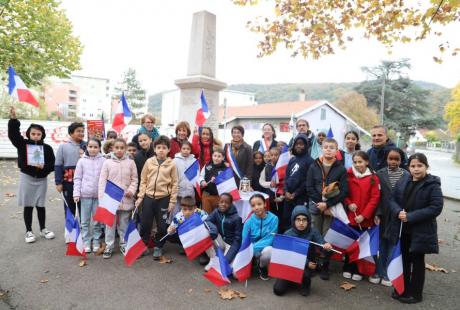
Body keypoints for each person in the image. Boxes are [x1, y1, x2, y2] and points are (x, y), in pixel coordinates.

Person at [388, 153, 443, 304]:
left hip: (420, 231)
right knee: (404, 260)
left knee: (417, 262)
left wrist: (411, 216)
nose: (416, 169)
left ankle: (415, 294)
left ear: (426, 167)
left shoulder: (432, 184)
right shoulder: (403, 180)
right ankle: (403, 288)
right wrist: (398, 211)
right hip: (403, 229)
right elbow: (392, 199)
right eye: (413, 166)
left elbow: (436, 207)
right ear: (408, 167)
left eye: (420, 166)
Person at [8, 107, 55, 243]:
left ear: (42, 135)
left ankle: (43, 229)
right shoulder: (23, 145)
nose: (35, 136)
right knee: (28, 205)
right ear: (29, 134)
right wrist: (13, 120)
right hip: (27, 178)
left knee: (40, 205)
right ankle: (29, 231)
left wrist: (44, 167)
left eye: (38, 134)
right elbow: (13, 135)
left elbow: (53, 164)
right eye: (33, 133)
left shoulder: (47, 148)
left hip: (41, 179)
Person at [306, 138, 348, 280]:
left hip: (331, 208)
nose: (328, 149)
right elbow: (309, 186)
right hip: (315, 206)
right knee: (314, 234)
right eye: (326, 147)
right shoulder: (314, 166)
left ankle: (325, 265)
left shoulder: (341, 168)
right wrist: (320, 203)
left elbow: (344, 191)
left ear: (337, 150)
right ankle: (313, 264)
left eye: (332, 147)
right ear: (321, 149)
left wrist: (328, 204)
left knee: (327, 236)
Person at [273, 205, 333, 297]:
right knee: (278, 290)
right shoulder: (287, 234)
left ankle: (305, 284)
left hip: (306, 266)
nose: (301, 223)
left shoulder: (313, 231)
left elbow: (321, 244)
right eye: (298, 219)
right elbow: (286, 256)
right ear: (293, 220)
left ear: (308, 220)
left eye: (304, 219)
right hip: (291, 264)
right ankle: (293, 280)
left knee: (305, 279)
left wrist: (326, 246)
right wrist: (307, 263)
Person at [136, 136, 178, 260]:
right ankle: (143, 246)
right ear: (154, 149)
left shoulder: (172, 164)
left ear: (168, 150)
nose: (161, 150)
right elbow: (143, 180)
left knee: (162, 226)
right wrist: (140, 196)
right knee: (145, 224)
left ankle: (158, 247)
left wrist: (172, 201)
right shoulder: (149, 162)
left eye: (164, 148)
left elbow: (175, 183)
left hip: (164, 199)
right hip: (148, 198)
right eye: (158, 147)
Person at [343, 151, 380, 281]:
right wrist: (349, 204)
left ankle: (359, 270)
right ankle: (348, 266)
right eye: (355, 162)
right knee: (350, 242)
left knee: (362, 244)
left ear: (366, 162)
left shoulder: (373, 178)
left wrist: (364, 215)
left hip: (364, 218)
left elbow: (374, 198)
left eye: (360, 162)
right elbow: (344, 193)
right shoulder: (348, 175)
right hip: (351, 215)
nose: (358, 164)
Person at [374, 148, 410, 287]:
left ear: (401, 160)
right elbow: (377, 196)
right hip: (383, 213)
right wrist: (377, 213)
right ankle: (379, 270)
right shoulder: (380, 173)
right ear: (386, 159)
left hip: (397, 214)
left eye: (397, 159)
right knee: (381, 243)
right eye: (391, 159)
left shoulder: (406, 175)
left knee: (393, 243)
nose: (393, 162)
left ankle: (389, 273)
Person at [99, 139, 138, 259]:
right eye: (117, 148)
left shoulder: (131, 163)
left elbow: (134, 179)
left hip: (126, 199)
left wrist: (131, 191)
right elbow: (102, 181)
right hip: (110, 200)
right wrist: (102, 199)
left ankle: (123, 243)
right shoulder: (107, 162)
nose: (119, 150)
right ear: (112, 149)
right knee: (109, 225)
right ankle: (109, 246)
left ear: (125, 149)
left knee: (124, 224)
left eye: (122, 148)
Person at [73, 138, 106, 253]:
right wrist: (76, 193)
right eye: (90, 146)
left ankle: (96, 241)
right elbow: (77, 178)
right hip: (85, 196)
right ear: (86, 147)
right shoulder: (81, 161)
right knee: (85, 222)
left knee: (97, 221)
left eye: (95, 147)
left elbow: (106, 178)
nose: (92, 149)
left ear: (99, 148)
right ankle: (86, 241)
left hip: (99, 196)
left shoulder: (104, 160)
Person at [242, 193, 278, 281]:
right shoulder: (248, 221)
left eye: (259, 204)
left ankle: (262, 267)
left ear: (265, 204)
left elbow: (270, 238)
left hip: (264, 247)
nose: (256, 207)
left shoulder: (274, 219)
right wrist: (249, 251)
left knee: (268, 251)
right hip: (251, 248)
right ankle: (253, 261)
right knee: (236, 275)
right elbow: (244, 239)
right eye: (253, 205)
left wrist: (253, 249)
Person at [283, 134, 314, 231]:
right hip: (288, 198)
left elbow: (308, 181)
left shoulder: (310, 161)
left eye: (301, 144)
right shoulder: (292, 160)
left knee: (299, 224)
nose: (299, 146)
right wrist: (286, 191)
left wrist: (295, 194)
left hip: (301, 197)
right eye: (296, 144)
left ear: (306, 146)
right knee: (287, 221)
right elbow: (287, 177)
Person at [166, 196, 210, 264]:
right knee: (171, 236)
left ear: (195, 208)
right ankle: (186, 246)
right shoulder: (179, 216)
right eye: (185, 209)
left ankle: (204, 253)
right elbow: (170, 230)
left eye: (190, 209)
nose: (187, 212)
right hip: (188, 236)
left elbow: (209, 221)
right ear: (181, 208)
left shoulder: (199, 212)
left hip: (199, 235)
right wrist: (170, 229)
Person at [55, 121, 86, 217]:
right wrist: (58, 182)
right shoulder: (63, 147)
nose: (81, 133)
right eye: (78, 131)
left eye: (82, 131)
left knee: (83, 207)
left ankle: (82, 228)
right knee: (70, 205)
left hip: (85, 181)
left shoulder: (88, 146)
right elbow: (58, 165)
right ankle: (71, 229)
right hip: (68, 182)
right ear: (71, 133)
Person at [205, 193, 243, 267]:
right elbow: (207, 221)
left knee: (229, 267)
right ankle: (213, 259)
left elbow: (237, 240)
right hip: (220, 241)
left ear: (231, 204)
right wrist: (214, 229)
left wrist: (227, 259)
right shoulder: (216, 212)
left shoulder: (237, 218)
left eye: (226, 203)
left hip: (230, 245)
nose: (223, 204)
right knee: (205, 232)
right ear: (218, 202)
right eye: (221, 202)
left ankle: (221, 260)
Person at [259, 146, 284, 227]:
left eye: (276, 155)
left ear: (280, 155)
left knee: (280, 217)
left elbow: (286, 183)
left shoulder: (283, 167)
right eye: (271, 155)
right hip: (270, 195)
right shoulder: (267, 167)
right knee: (270, 216)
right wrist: (269, 184)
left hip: (280, 197)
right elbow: (261, 181)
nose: (273, 157)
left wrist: (282, 197)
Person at [199, 148, 227, 213]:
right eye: (215, 156)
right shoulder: (207, 166)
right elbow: (201, 176)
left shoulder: (225, 169)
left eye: (219, 156)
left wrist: (218, 180)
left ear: (223, 158)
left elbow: (227, 182)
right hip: (207, 194)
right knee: (206, 215)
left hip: (219, 195)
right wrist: (202, 181)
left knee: (218, 214)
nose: (216, 158)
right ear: (212, 156)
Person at [173, 141, 196, 218]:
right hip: (178, 191)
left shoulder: (194, 161)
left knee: (188, 213)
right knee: (177, 212)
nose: (186, 150)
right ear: (180, 149)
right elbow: (173, 176)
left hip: (189, 191)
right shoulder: (175, 160)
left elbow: (196, 176)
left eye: (188, 149)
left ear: (190, 150)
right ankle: (175, 228)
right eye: (184, 148)